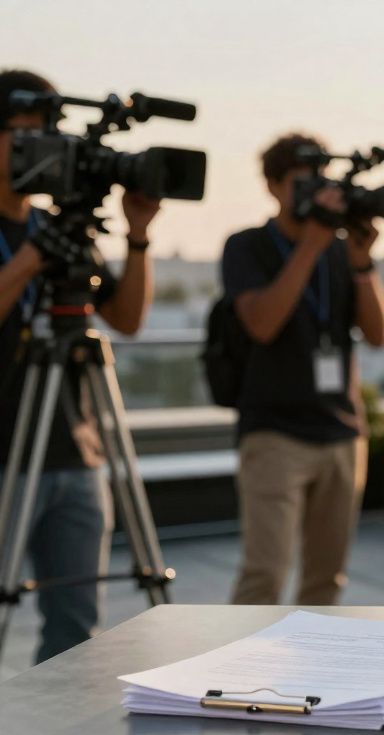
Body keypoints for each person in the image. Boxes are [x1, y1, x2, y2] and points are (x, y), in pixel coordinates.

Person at [0, 69, 159, 661]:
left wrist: (137, 236)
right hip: (4, 457)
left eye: (47, 134)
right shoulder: (42, 239)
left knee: (75, 631)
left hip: (76, 452)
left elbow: (127, 318)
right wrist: (30, 258)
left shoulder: (59, 227)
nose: (39, 148)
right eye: (23, 134)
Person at [222, 132, 384, 605]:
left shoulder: (339, 249)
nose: (313, 196)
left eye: (319, 184)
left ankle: (313, 655)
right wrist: (310, 248)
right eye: (300, 185)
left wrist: (362, 263)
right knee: (265, 575)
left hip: (341, 433)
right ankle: (241, 655)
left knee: (326, 581)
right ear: (272, 186)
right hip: (273, 433)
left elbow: (379, 333)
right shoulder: (247, 246)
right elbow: (261, 324)